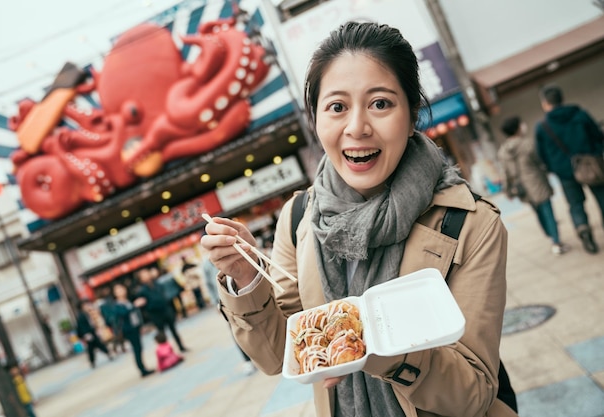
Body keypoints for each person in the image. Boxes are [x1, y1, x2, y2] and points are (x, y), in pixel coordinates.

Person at [201, 21, 516, 417]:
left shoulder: (471, 223)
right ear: (315, 119)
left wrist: (367, 344)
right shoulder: (300, 218)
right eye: (337, 107)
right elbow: (276, 353)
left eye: (380, 103)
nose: (357, 128)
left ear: (412, 111)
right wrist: (245, 280)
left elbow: (473, 394)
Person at [535, 84, 604, 254]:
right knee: (602, 198)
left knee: (575, 204)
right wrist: (595, 154)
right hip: (591, 166)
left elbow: (541, 154)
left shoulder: (542, 126)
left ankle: (583, 229)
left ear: (545, 103)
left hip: (565, 173)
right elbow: (598, 136)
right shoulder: (580, 114)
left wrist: (555, 168)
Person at [498, 116, 569, 255]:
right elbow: (540, 162)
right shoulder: (527, 144)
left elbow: (504, 172)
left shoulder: (503, 151)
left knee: (539, 212)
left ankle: (550, 235)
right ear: (517, 129)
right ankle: (556, 242)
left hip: (522, 188)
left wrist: (507, 190)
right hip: (536, 182)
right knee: (548, 212)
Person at [201, 256, 257, 376]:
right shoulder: (207, 264)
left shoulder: (230, 254)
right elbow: (208, 284)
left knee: (253, 323)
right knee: (236, 330)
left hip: (242, 295)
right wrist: (214, 301)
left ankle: (259, 354)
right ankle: (247, 360)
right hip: (224, 302)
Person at [134, 267, 188, 352]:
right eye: (143, 275)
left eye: (146, 273)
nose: (146, 275)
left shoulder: (158, 284)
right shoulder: (141, 291)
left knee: (174, 330)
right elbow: (142, 305)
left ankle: (181, 346)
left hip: (166, 310)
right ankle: (167, 351)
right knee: (162, 334)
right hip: (156, 314)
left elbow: (164, 295)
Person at [113, 284, 155, 378]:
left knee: (139, 348)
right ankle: (142, 369)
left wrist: (140, 325)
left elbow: (135, 314)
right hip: (128, 330)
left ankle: (143, 367)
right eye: (118, 290)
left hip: (135, 327)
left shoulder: (127, 301)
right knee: (136, 349)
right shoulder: (118, 305)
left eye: (122, 289)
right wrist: (134, 305)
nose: (121, 291)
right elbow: (123, 314)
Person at [75, 300, 113, 369]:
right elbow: (81, 326)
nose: (87, 306)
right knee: (93, 347)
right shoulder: (81, 315)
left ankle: (106, 355)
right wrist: (86, 334)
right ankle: (97, 359)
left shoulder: (87, 313)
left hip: (92, 332)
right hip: (88, 334)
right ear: (82, 307)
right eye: (85, 305)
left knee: (96, 346)